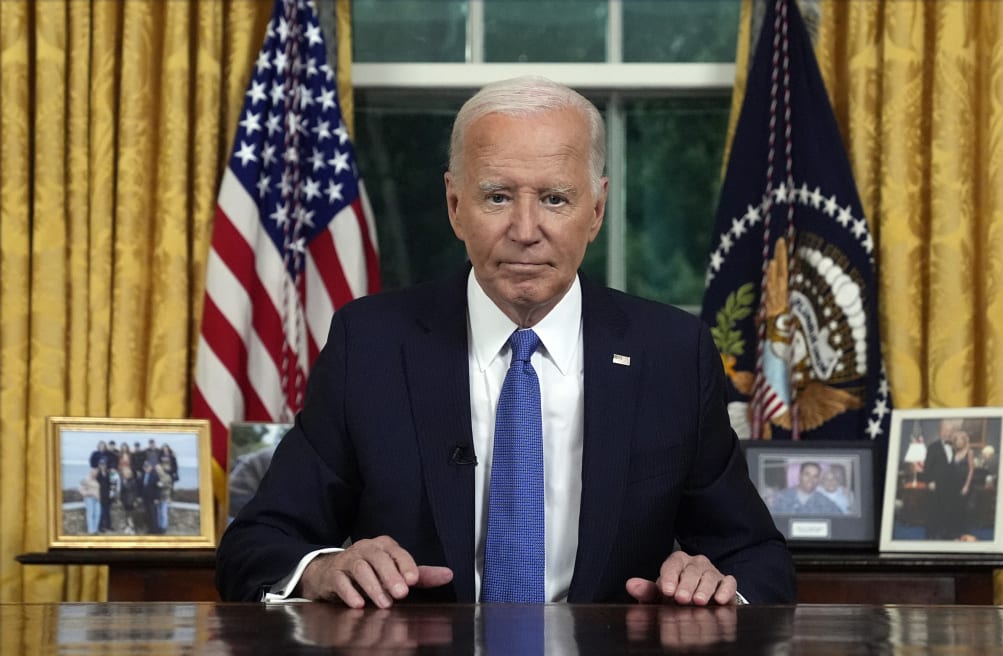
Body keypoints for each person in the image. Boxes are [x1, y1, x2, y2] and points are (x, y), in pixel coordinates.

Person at [216, 76, 795, 607]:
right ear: (454, 205)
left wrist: (717, 587)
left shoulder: (672, 352)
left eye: (555, 199)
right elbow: (260, 544)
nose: (524, 230)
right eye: (497, 197)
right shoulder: (370, 344)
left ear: (595, 210)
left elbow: (757, 558)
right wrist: (322, 568)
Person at [922, 418, 962, 539]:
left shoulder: (956, 447)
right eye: (945, 430)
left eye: (950, 430)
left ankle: (948, 535)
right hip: (937, 487)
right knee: (934, 513)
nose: (948, 433)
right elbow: (927, 468)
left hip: (951, 487)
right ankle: (931, 536)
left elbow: (956, 468)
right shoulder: (932, 447)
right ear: (940, 431)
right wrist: (929, 482)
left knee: (949, 512)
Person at [770, 462, 842, 515]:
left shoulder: (825, 502)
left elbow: (841, 521)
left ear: (818, 479)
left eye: (815, 476)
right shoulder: (782, 497)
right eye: (807, 474)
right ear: (800, 475)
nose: (811, 479)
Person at [79, 467, 102, 535]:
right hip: (89, 499)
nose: (95, 474)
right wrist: (88, 494)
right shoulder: (86, 479)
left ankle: (95, 530)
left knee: (97, 514)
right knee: (90, 514)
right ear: (91, 472)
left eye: (96, 473)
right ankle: (91, 531)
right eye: (94, 473)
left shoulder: (96, 480)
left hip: (97, 499)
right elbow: (81, 489)